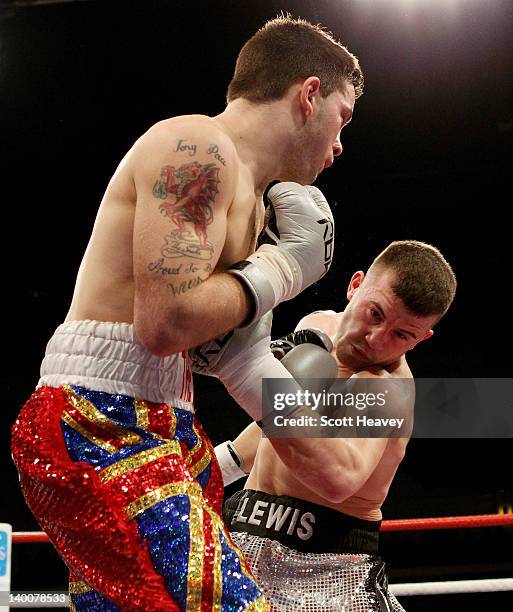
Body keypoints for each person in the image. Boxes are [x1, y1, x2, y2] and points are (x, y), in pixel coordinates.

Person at [10, 15, 363, 612]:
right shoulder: (195, 147)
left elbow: (242, 361)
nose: (339, 144)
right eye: (342, 116)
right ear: (309, 94)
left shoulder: (255, 211)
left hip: (166, 420)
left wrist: (336, 434)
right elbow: (165, 324)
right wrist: (284, 271)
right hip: (96, 413)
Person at [215, 240, 457, 611]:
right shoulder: (314, 327)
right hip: (243, 536)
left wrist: (252, 377)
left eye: (401, 335)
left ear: (422, 339)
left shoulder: (386, 389)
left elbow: (339, 478)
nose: (376, 340)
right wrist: (217, 466)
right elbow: (284, 431)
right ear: (355, 286)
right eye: (375, 314)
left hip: (328, 569)